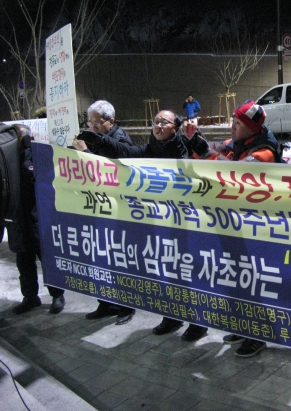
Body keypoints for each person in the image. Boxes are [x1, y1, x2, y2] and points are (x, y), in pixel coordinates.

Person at [76, 109, 209, 342]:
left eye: (164, 122)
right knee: (166, 272)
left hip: (186, 225)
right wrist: (100, 140)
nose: (158, 126)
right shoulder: (149, 150)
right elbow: (125, 151)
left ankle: (198, 323)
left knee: (187, 274)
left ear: (175, 128)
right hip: (159, 224)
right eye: (155, 122)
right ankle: (172, 316)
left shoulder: (184, 150)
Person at [188, 100, 281, 356]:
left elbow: (235, 176)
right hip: (234, 226)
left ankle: (259, 334)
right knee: (237, 278)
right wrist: (195, 141)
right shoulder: (238, 143)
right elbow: (213, 153)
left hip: (256, 230)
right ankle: (243, 325)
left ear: (251, 128)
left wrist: (206, 153)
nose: (232, 127)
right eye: (233, 120)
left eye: (238, 123)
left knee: (253, 282)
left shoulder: (265, 152)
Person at [73, 100, 136, 325]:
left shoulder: (120, 140)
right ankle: (105, 302)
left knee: (119, 259)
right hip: (99, 205)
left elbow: (109, 171)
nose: (92, 127)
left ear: (110, 121)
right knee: (99, 256)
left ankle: (126, 306)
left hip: (118, 208)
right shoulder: (94, 136)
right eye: (90, 122)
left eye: (96, 122)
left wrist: (86, 152)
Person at [9, 124, 66, 314]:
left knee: (47, 258)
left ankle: (57, 294)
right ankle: (30, 297)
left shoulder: (34, 154)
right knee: (24, 262)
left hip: (37, 217)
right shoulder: (7, 159)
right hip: (18, 219)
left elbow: (33, 174)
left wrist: (26, 149)